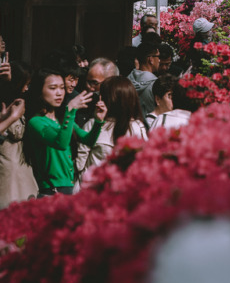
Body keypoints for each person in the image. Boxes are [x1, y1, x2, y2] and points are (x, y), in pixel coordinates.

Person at [24, 69, 107, 197]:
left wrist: (98, 121)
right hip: (51, 190)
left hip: (69, 186)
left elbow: (88, 140)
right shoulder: (36, 122)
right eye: (53, 88)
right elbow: (61, 143)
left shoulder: (61, 118)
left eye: (62, 88)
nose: (59, 93)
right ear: (39, 91)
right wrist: (71, 110)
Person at [74, 76, 147, 188]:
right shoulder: (138, 127)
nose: (99, 99)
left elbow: (80, 164)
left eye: (102, 96)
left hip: (94, 189)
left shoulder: (93, 124)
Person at [0, 65, 38, 208]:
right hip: (10, 165)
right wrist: (13, 117)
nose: (27, 89)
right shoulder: (13, 103)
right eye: (26, 84)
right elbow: (16, 132)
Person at [77, 58, 119, 126]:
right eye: (88, 82)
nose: (89, 86)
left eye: (94, 83)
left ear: (110, 82)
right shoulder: (85, 104)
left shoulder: (120, 107)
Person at [127, 42, 160, 118]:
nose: (159, 60)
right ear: (151, 59)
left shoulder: (128, 80)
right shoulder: (155, 84)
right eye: (158, 57)